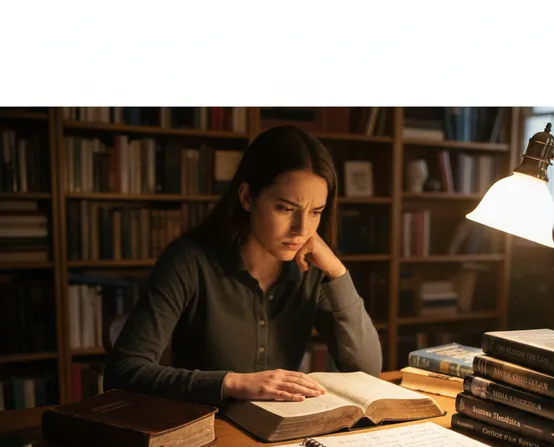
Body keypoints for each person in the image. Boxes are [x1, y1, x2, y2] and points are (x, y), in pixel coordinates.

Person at [103, 125, 383, 406]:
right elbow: (123, 372)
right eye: (285, 209)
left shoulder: (311, 269)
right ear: (247, 197)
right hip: (205, 430)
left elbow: (367, 370)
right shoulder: (189, 261)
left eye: (315, 212)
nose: (301, 229)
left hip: (281, 433)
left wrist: (337, 271)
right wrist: (233, 382)